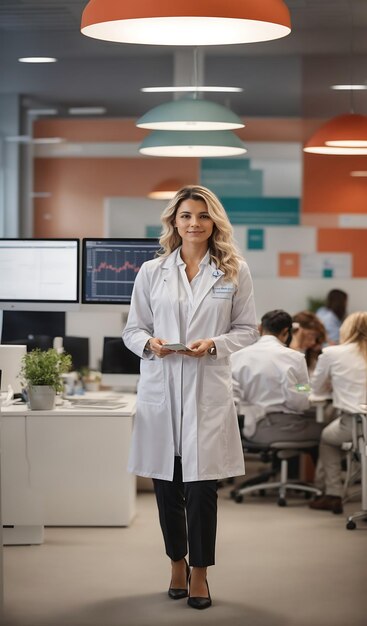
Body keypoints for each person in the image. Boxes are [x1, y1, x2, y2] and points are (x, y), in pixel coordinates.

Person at [122, 185, 258, 610]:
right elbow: (132, 330)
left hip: (206, 391)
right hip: (163, 389)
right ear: (174, 222)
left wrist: (214, 344)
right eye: (186, 216)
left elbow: (248, 330)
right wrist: (151, 344)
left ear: (213, 221)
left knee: (202, 489)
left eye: (202, 215)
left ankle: (200, 571)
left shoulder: (234, 271)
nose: (194, 223)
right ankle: (176, 563)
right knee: (167, 485)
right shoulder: (151, 271)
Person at [231, 309, 322, 446]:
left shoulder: (236, 356)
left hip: (248, 428)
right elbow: (300, 401)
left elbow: (233, 397)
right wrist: (308, 387)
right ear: (286, 332)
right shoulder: (294, 358)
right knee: (327, 432)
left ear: (261, 328)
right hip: (281, 426)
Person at [309, 312, 367, 515]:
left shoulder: (333, 354)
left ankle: (333, 493)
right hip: (359, 422)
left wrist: (333, 385)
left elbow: (315, 390)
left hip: (355, 424)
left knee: (327, 438)